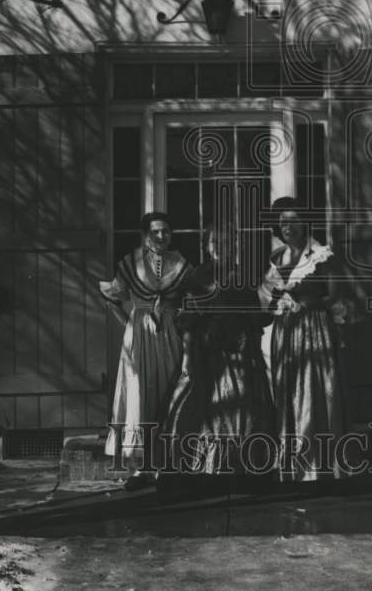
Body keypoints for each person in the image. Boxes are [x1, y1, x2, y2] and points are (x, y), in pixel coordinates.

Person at [161, 224, 275, 492]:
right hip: (206, 351)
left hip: (239, 351)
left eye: (227, 242)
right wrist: (188, 357)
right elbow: (187, 320)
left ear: (236, 246)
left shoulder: (245, 276)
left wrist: (253, 350)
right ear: (208, 246)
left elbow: (255, 318)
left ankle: (242, 470)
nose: (221, 247)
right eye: (216, 243)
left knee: (245, 408)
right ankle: (201, 469)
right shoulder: (198, 276)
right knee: (198, 407)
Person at [100, 211, 191, 489]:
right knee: (140, 394)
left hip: (170, 335)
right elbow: (113, 299)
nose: (161, 236)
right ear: (145, 234)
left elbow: (192, 299)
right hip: (139, 337)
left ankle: (168, 463)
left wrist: (177, 320)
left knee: (168, 393)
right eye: (155, 232)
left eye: (166, 231)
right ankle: (140, 468)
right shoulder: (131, 262)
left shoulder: (181, 263)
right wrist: (132, 322)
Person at [259, 197, 347, 481]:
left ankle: (319, 466)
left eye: (294, 221)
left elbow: (334, 295)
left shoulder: (321, 255)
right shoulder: (276, 258)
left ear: (304, 223)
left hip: (313, 329)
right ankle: (292, 466)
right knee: (288, 390)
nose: (288, 227)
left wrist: (308, 305)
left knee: (314, 391)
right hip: (285, 331)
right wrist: (278, 301)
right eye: (283, 222)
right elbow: (267, 296)